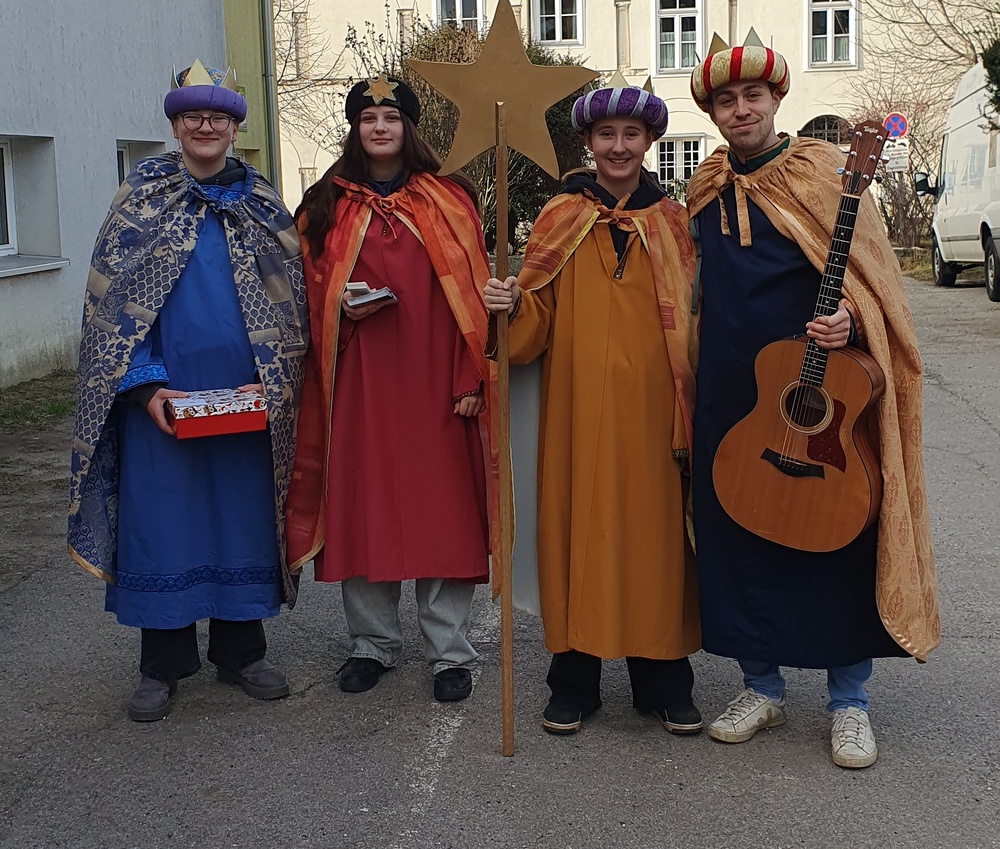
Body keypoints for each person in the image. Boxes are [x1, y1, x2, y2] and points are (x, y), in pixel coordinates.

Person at [685, 32, 940, 767]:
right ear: (712, 112)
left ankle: (849, 702)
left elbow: (876, 282)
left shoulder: (826, 172)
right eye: (726, 100)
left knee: (837, 541)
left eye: (752, 95)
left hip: (819, 387)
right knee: (740, 540)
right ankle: (760, 686)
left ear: (776, 99)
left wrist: (851, 318)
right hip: (731, 388)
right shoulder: (703, 186)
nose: (740, 110)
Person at [68, 61, 308, 721]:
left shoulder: (263, 205)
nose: (206, 126)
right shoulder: (141, 200)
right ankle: (163, 666)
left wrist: (271, 374)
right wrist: (146, 387)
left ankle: (242, 652)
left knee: (242, 523)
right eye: (193, 116)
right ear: (175, 126)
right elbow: (113, 309)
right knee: (163, 528)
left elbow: (291, 300)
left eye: (218, 117)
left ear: (234, 128)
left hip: (245, 401)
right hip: (163, 404)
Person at [483, 86, 701, 736]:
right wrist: (514, 306)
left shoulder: (675, 223)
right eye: (606, 134)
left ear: (650, 142)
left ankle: (663, 681)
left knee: (655, 544)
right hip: (576, 415)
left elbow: (698, 318)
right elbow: (534, 324)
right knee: (577, 535)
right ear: (588, 142)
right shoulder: (560, 217)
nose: (619, 146)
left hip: (655, 416)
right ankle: (574, 682)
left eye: (631, 134)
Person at [284, 75, 496, 703]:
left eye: (391, 117)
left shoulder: (449, 199)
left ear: (409, 127)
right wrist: (338, 309)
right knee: (364, 508)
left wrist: (470, 376)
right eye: (368, 118)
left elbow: (473, 295)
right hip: (359, 381)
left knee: (443, 514)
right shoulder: (324, 204)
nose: (380, 127)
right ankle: (371, 644)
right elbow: (300, 295)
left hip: (436, 380)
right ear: (355, 129)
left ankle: (450, 650)